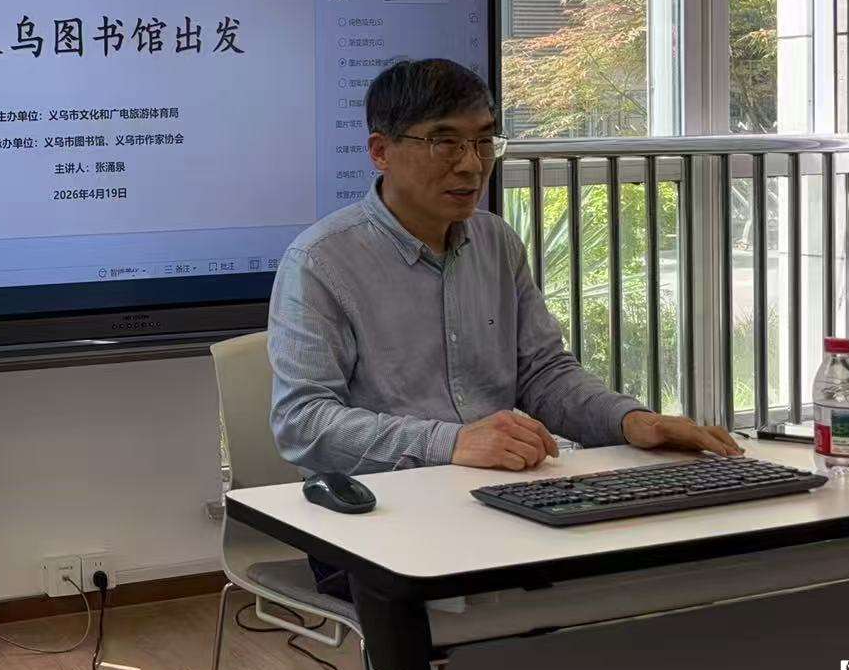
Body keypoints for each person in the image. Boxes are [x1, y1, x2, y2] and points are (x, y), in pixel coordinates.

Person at [268, 58, 739, 601]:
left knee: (662, 566)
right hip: (380, 520)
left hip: (502, 499)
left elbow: (544, 374)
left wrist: (631, 421)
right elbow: (302, 421)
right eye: (445, 143)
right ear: (381, 151)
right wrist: (452, 443)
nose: (472, 165)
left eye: (484, 142)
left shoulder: (495, 241)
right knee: (542, 602)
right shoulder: (320, 261)